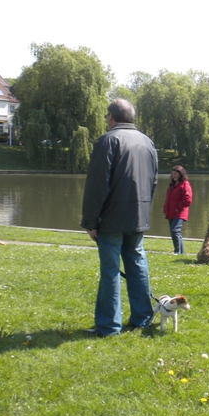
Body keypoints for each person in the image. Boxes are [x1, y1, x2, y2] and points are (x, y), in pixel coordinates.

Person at [81, 98, 158, 337]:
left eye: (107, 116)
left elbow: (97, 186)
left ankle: (108, 326)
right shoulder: (147, 142)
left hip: (111, 219)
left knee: (110, 271)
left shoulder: (107, 141)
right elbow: (153, 181)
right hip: (138, 217)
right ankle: (142, 318)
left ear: (112, 117)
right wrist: (144, 211)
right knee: (137, 264)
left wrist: (90, 221)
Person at [162, 165, 193, 255]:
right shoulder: (172, 185)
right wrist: (165, 207)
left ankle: (177, 252)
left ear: (180, 174)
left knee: (175, 230)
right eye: (172, 174)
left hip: (180, 212)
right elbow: (168, 198)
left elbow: (188, 200)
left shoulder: (185, 184)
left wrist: (177, 207)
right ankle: (180, 252)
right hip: (171, 212)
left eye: (175, 174)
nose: (174, 176)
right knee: (174, 232)